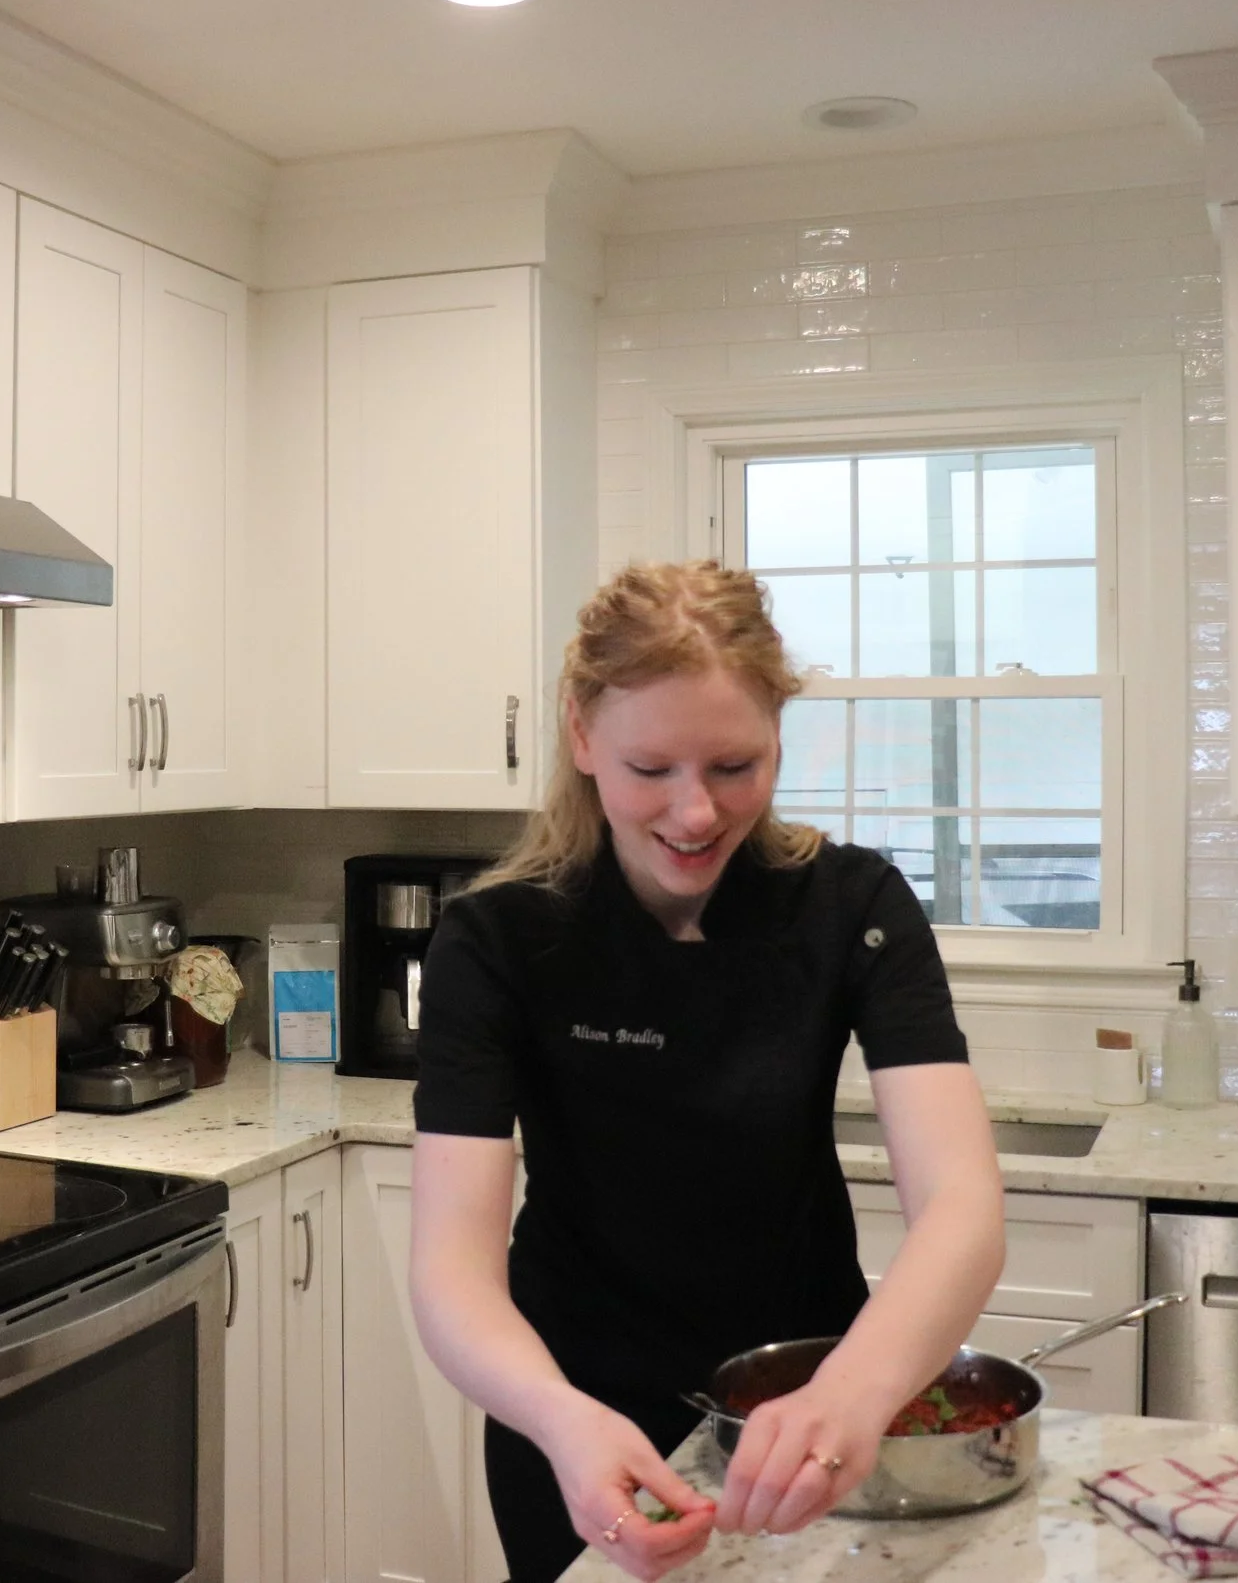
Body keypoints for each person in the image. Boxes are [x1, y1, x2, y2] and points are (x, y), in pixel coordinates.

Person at [409, 560, 1006, 1583]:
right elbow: (451, 1268)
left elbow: (962, 1204)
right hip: (577, 1410)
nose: (694, 813)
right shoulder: (496, 937)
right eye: (652, 770)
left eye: (734, 765)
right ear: (581, 733)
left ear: (779, 732)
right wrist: (562, 1421)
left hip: (806, 1407)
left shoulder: (852, 906)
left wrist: (855, 1392)